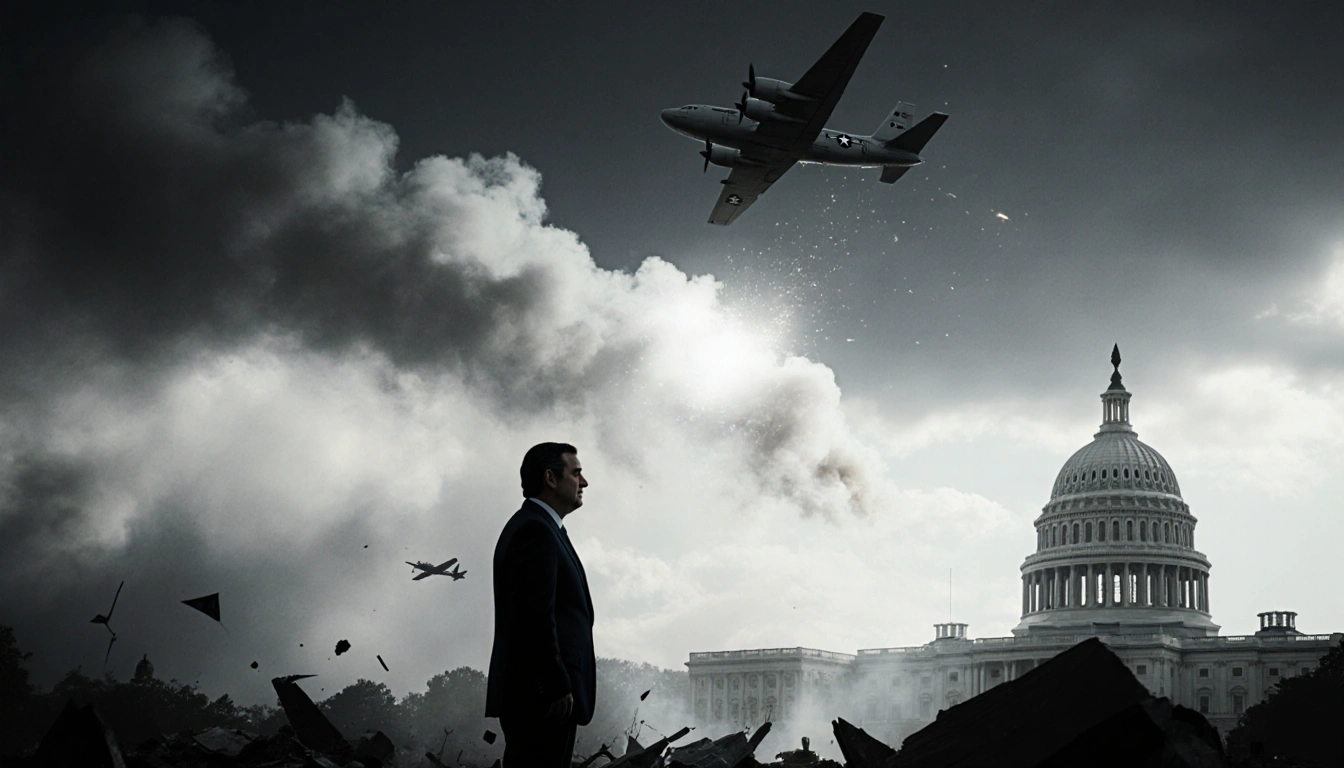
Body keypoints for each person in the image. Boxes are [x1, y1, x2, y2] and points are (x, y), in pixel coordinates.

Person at [485, 442, 596, 767]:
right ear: (550, 478)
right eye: (576, 473)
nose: (584, 482)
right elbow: (533, 618)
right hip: (544, 699)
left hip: (543, 695)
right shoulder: (535, 530)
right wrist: (556, 685)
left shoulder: (544, 528)